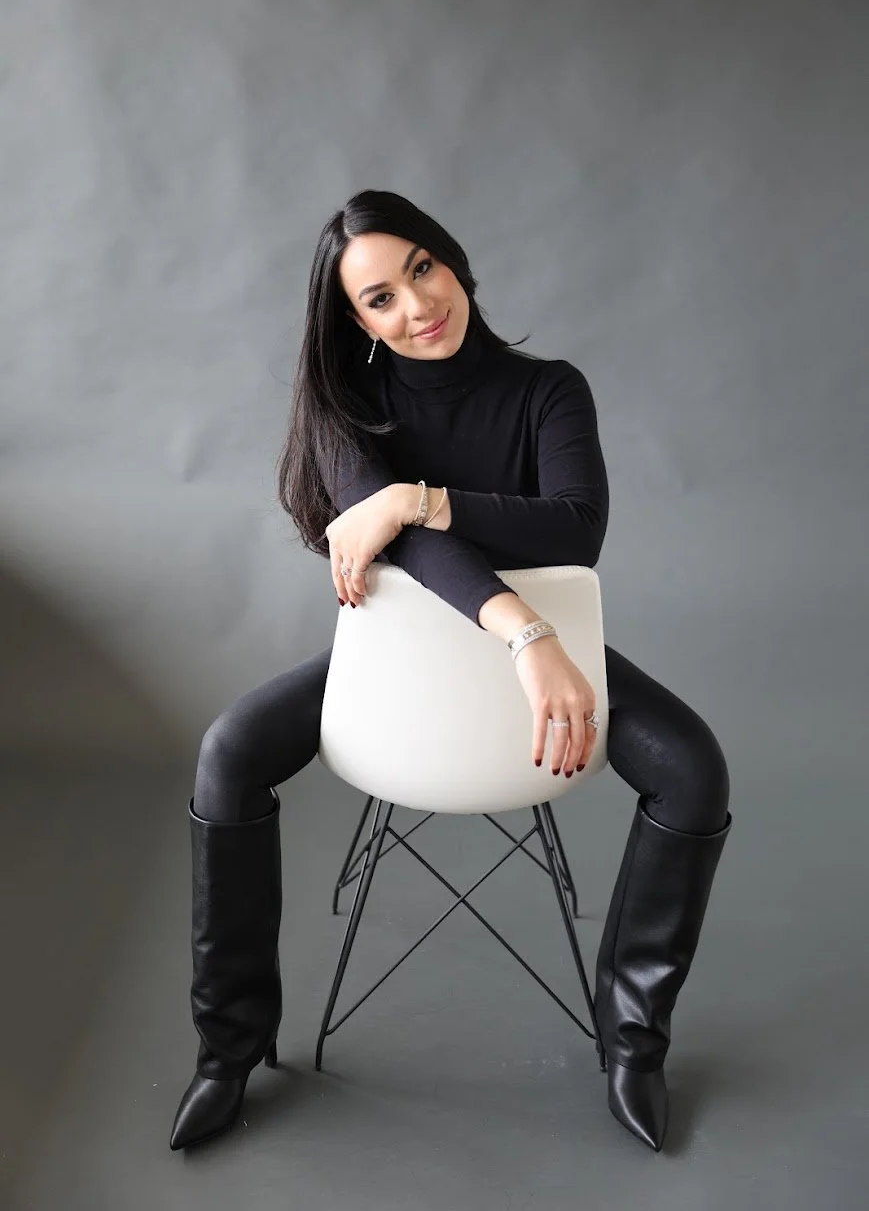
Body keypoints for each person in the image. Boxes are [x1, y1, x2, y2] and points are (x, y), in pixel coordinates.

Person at [169, 189, 732, 1154]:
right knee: (228, 753)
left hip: (545, 660)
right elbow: (400, 564)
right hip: (418, 662)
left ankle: (632, 1040)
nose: (416, 306)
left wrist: (414, 499)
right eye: (379, 297)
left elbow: (575, 528)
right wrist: (523, 632)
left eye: (421, 269)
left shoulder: (549, 389)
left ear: (453, 259)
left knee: (694, 768)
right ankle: (229, 1049)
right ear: (356, 321)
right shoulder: (351, 407)